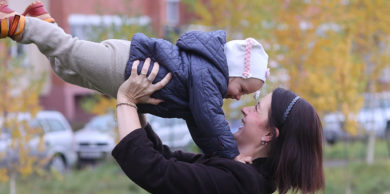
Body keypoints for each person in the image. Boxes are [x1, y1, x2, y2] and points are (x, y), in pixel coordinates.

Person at [0, 1, 270, 160]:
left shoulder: (203, 84)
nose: (237, 97)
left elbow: (201, 128)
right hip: (125, 64)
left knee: (66, 70)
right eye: (242, 89)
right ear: (232, 70)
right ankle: (17, 24)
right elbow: (211, 120)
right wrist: (233, 156)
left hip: (124, 71)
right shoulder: (208, 75)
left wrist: (218, 155)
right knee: (69, 52)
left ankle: (44, 22)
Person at [113, 60, 325, 194]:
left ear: (269, 134)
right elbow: (166, 159)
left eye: (257, 109)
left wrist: (126, 100)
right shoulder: (238, 167)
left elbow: (153, 170)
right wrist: (137, 104)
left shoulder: (243, 187)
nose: (245, 109)